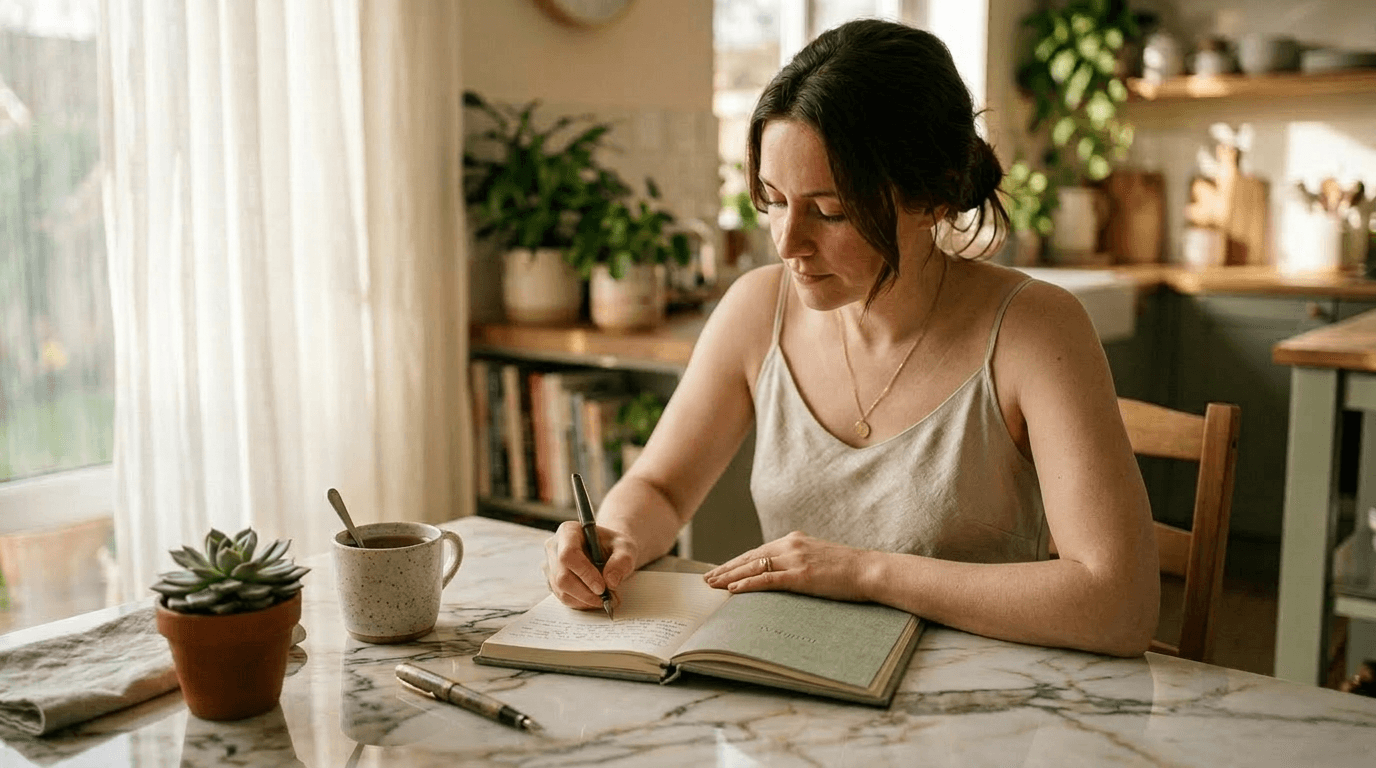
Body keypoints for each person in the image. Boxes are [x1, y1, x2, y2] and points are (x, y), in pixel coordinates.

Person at [544, 19, 1158, 657]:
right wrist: (614, 539)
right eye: (775, 201)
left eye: (830, 211)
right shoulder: (757, 310)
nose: (787, 244)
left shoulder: (1036, 332)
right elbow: (661, 488)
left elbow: (1119, 603)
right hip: (799, 700)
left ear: (936, 194)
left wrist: (864, 572)